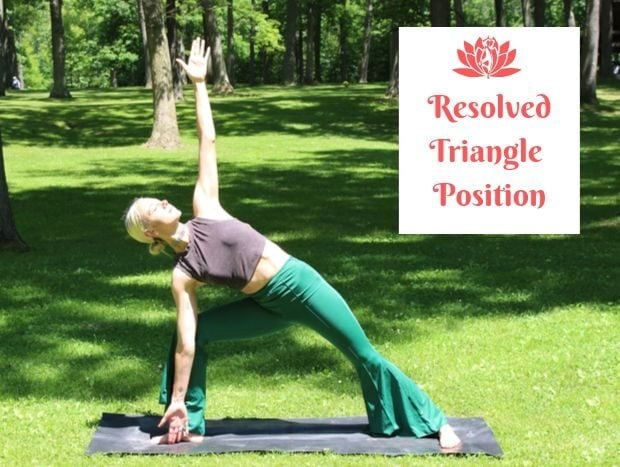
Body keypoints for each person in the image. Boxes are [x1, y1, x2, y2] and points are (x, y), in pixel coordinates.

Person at [124, 37, 462, 450]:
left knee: (363, 355)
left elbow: (207, 140)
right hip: (265, 306)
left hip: (299, 285)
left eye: (156, 198)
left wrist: (198, 84)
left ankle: (435, 421)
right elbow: (189, 341)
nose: (161, 200)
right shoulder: (183, 274)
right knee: (196, 332)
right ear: (151, 231)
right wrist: (177, 397)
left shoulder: (205, 206)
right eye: (151, 207)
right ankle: (186, 419)